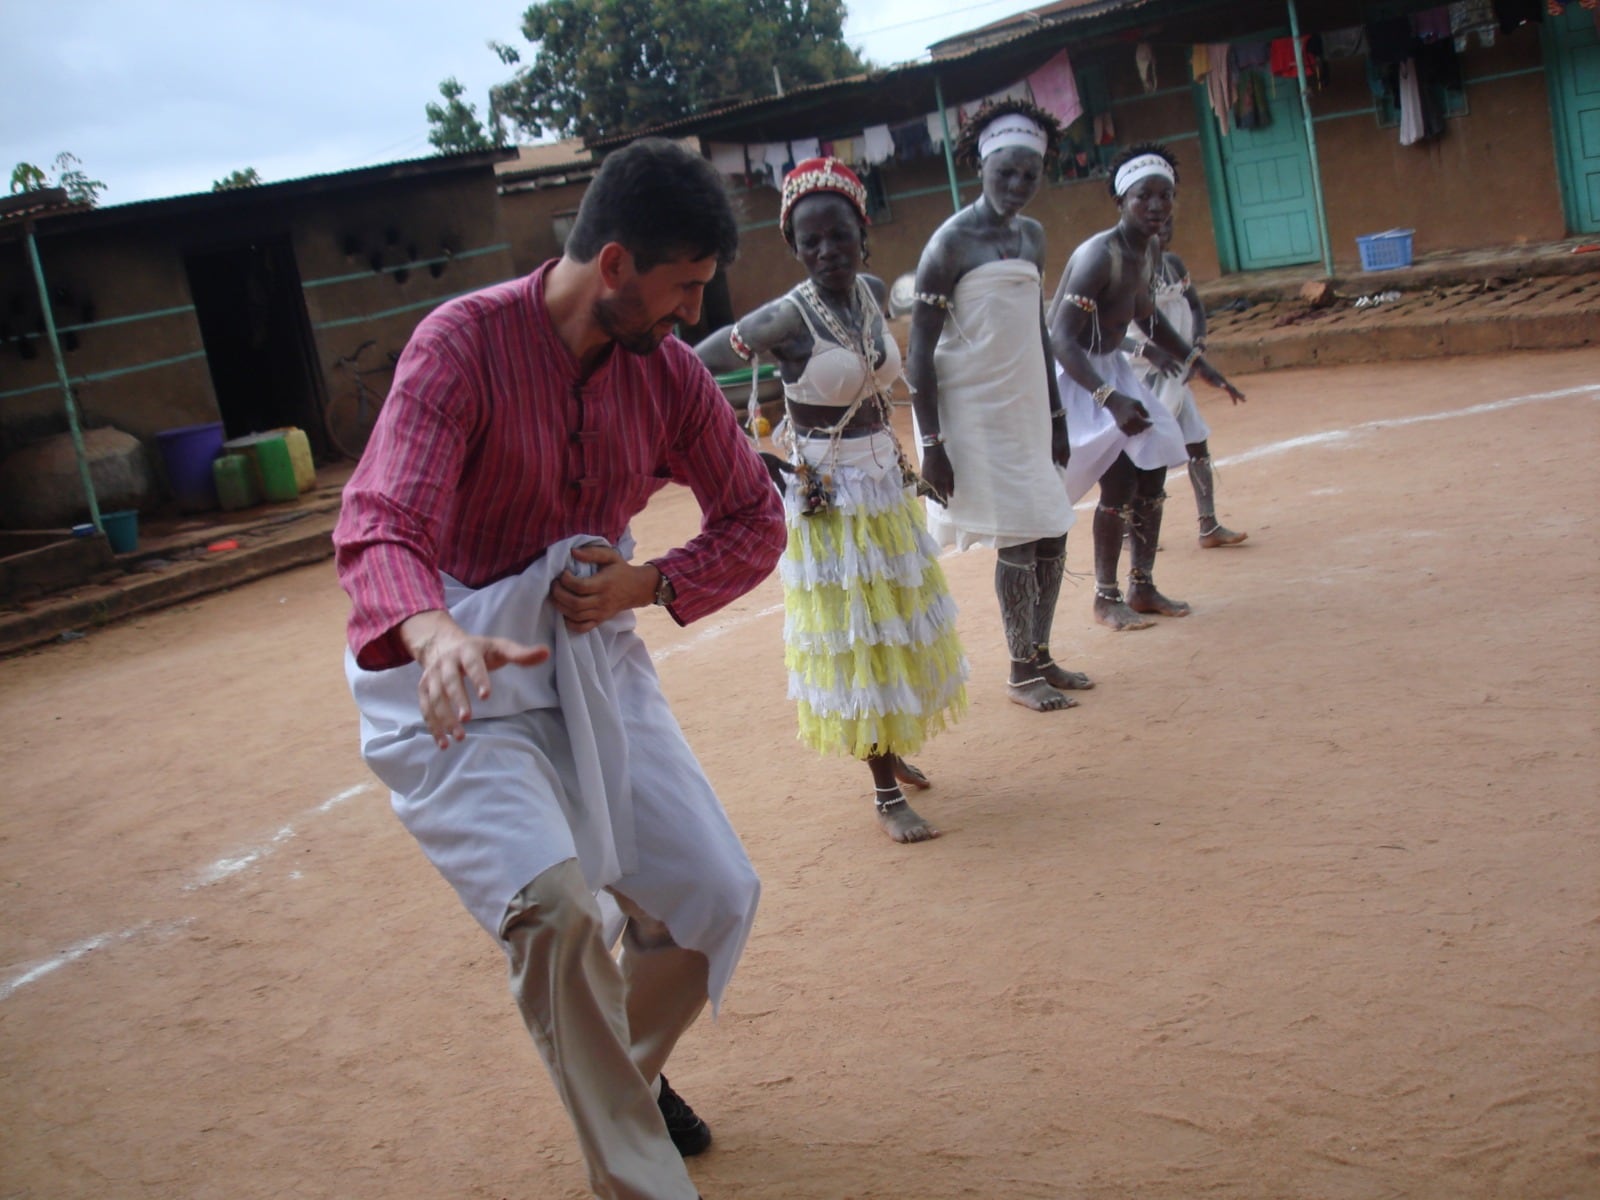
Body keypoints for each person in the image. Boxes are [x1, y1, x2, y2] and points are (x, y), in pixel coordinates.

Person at [332, 138, 787, 1200]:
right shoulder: (462, 345)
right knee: (555, 910)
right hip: (462, 679)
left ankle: (621, 1079)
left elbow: (754, 516)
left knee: (712, 893)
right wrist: (431, 630)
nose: (689, 316)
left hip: (589, 658)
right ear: (617, 265)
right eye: (680, 290)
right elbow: (382, 519)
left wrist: (650, 584)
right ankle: (638, 1178)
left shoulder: (667, 374)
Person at [696, 158, 968, 845]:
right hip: (832, 503)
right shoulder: (784, 318)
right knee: (860, 640)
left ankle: (892, 748)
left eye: (839, 237)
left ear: (862, 233)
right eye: (811, 242)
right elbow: (694, 360)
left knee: (898, 626)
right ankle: (883, 795)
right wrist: (737, 449)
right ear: (794, 246)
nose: (827, 253)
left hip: (884, 487)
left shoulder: (873, 293)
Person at [905, 100, 1092, 713]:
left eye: (1028, 175)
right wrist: (932, 446)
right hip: (974, 414)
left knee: (1053, 528)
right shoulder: (949, 242)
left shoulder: (1032, 237)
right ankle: (1019, 672)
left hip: (1027, 405)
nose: (1016, 186)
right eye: (1004, 173)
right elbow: (919, 352)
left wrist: (1058, 415)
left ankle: (1039, 652)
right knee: (1019, 533)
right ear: (980, 167)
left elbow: (1035, 329)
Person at [1047, 142, 1244, 633]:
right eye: (1143, 196)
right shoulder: (1099, 256)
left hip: (1111, 369)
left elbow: (1148, 319)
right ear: (1120, 200)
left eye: (1164, 196)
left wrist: (1198, 361)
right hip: (1077, 376)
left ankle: (1142, 584)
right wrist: (1108, 399)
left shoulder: (1150, 250)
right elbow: (1060, 339)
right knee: (1118, 479)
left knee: (1153, 463)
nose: (1156, 206)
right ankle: (1105, 597)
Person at [1126, 213, 1248, 549]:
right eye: (1155, 225)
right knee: (1138, 452)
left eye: (1168, 223)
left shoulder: (1174, 265)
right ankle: (1128, 529)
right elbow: (1100, 334)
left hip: (1174, 372)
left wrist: (1198, 345)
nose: (1162, 230)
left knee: (1196, 441)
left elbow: (1193, 305)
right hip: (1138, 375)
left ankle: (1208, 524)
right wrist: (1146, 351)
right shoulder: (1126, 272)